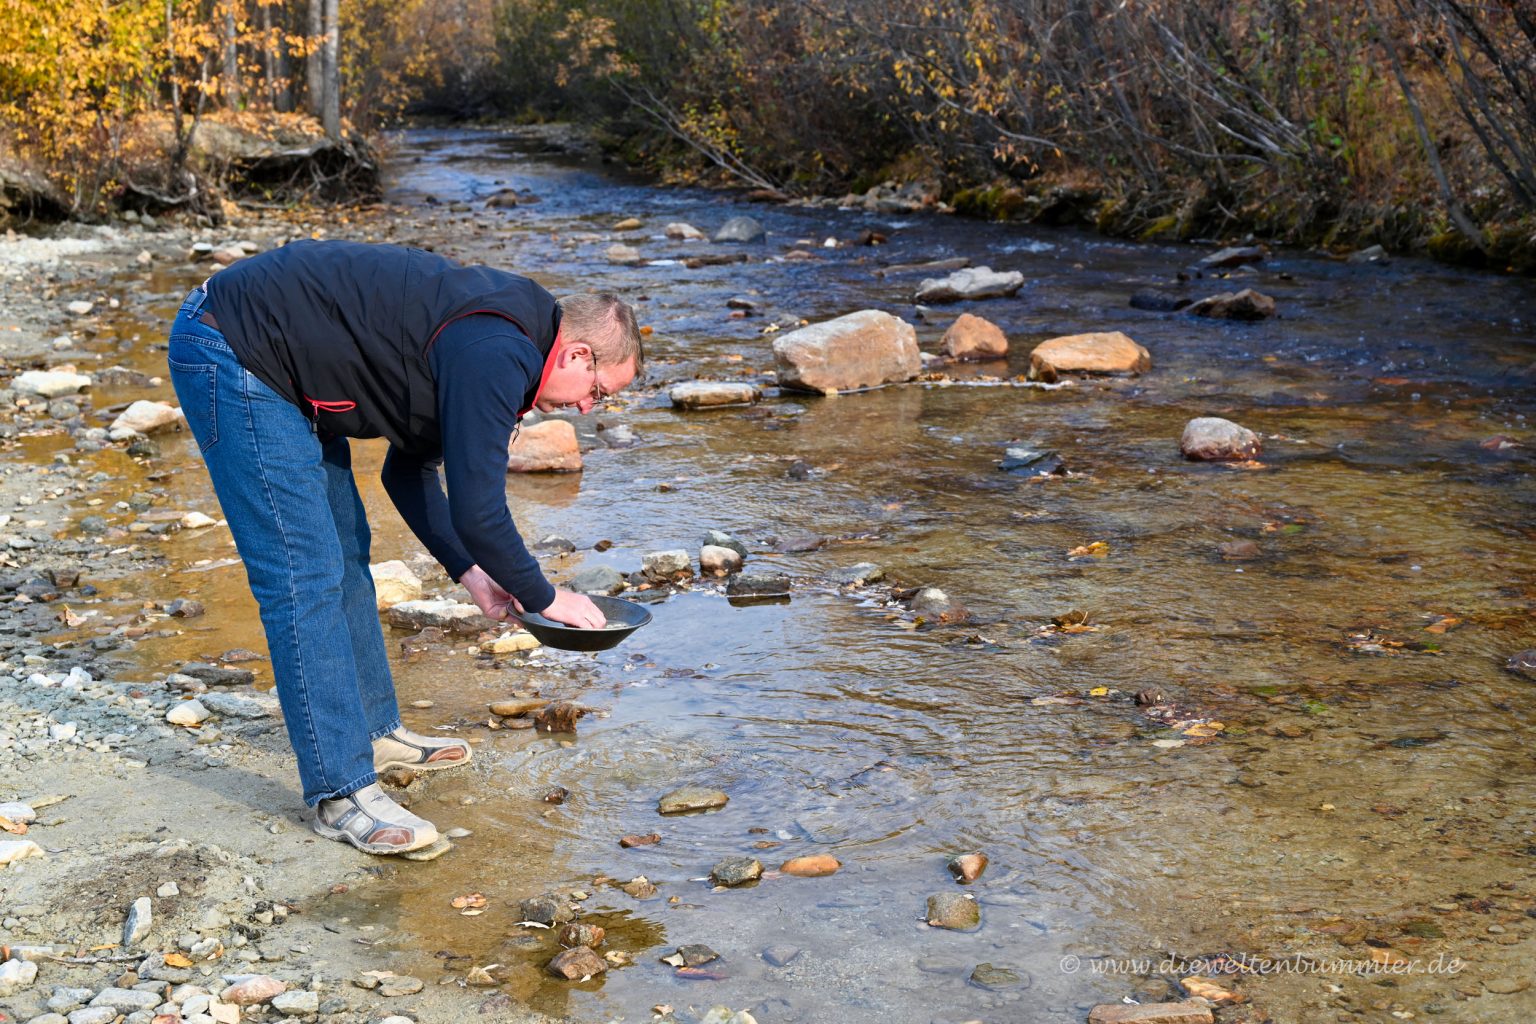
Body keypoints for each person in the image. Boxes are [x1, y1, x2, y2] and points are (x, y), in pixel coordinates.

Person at [165, 239, 642, 855]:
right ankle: (339, 791)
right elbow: (478, 508)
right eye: (597, 392)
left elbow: (408, 472)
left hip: (297, 364)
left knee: (347, 556)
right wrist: (543, 595)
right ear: (578, 353)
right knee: (302, 576)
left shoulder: (508, 341)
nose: (585, 408)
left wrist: (473, 574)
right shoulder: (499, 351)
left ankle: (372, 733)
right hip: (237, 347)